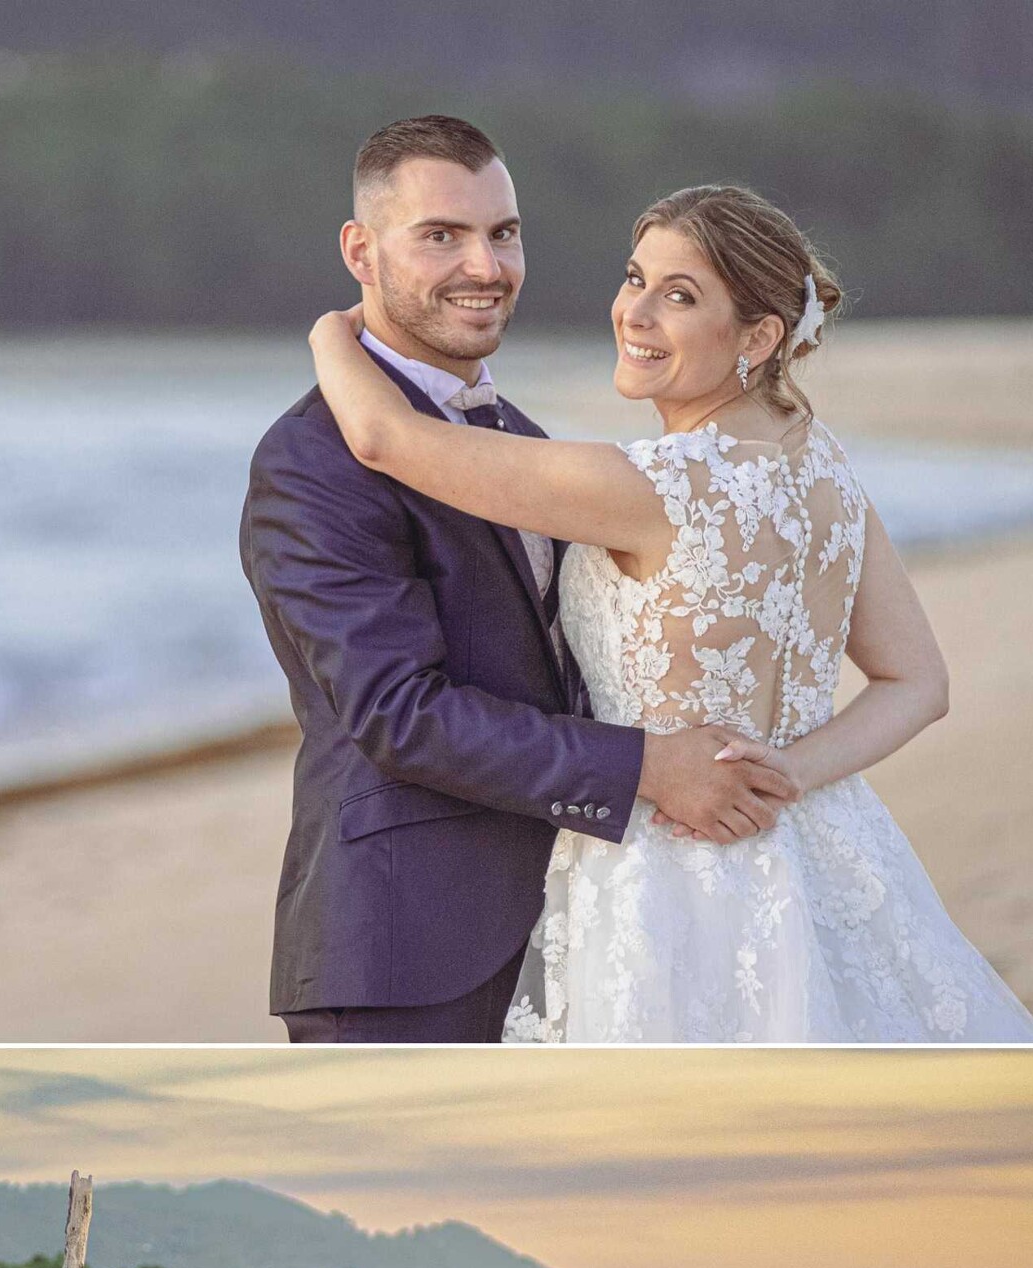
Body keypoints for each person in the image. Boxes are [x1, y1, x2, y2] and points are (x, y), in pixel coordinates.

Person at [307, 176, 1033, 1043]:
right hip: (821, 850)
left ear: (760, 335)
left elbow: (382, 439)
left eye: (680, 295)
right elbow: (917, 682)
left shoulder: (652, 485)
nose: (635, 313)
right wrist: (793, 774)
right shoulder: (823, 471)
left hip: (666, 868)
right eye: (634, 279)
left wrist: (332, 331)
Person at [241, 116, 797, 1044]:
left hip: (574, 922)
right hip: (405, 952)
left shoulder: (524, 444)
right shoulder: (312, 462)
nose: (484, 266)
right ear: (360, 250)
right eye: (439, 235)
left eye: (502, 233)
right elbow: (397, 714)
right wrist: (650, 766)